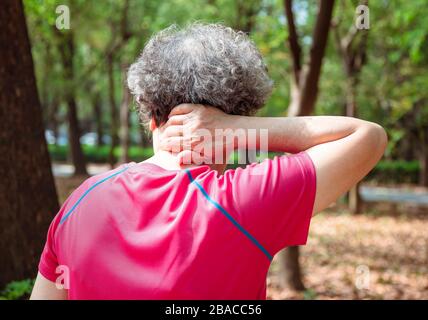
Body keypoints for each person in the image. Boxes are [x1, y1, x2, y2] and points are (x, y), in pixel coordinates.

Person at [30, 23, 387, 300]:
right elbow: (367, 137)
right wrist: (238, 127)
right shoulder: (242, 200)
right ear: (236, 119)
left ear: (151, 115)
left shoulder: (80, 201)